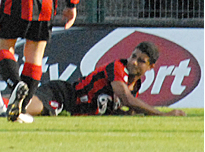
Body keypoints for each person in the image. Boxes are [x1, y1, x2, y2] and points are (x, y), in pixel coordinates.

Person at [22, 42, 186, 117]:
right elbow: (127, 100)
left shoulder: (135, 85)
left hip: (76, 110)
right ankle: (5, 110)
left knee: (40, 115)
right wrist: (163, 114)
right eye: (133, 56)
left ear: (151, 67)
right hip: (63, 95)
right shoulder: (117, 67)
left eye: (141, 60)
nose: (133, 62)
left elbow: (122, 109)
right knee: (25, 110)